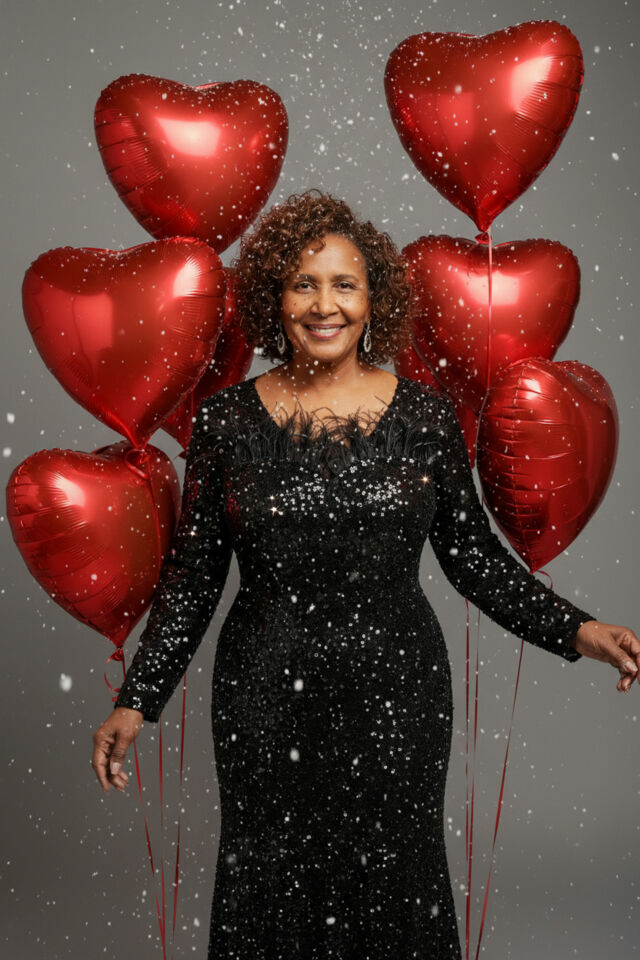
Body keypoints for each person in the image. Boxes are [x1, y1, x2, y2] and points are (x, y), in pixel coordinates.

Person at [91, 189, 639, 959]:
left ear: (373, 298)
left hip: (398, 694)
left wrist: (579, 630)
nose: (325, 305)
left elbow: (475, 560)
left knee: (394, 884)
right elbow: (192, 579)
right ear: (274, 298)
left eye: (344, 284)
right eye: (303, 284)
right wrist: (138, 699)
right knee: (269, 883)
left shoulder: (427, 418)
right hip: (263, 694)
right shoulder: (224, 422)